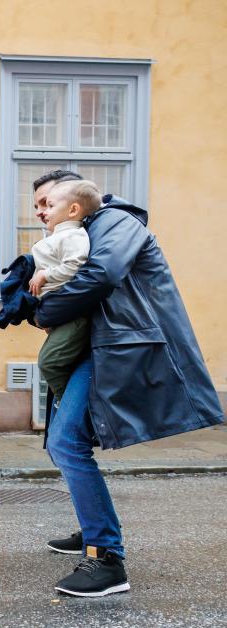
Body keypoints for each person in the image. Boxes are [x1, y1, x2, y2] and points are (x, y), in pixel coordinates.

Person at [32, 171, 224, 597]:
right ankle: (94, 530)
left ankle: (108, 560)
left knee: (66, 442)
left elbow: (103, 274)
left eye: (47, 202)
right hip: (99, 346)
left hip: (125, 347)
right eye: (38, 207)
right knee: (65, 441)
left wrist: (46, 312)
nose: (43, 212)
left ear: (74, 198)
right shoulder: (83, 231)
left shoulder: (117, 221)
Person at [28, 180, 101, 399]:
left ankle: (68, 404)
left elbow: (75, 266)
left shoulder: (73, 236)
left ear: (73, 210)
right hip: (60, 315)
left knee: (49, 362)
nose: (43, 212)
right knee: (51, 361)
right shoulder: (59, 235)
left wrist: (45, 275)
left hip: (72, 316)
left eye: (50, 205)